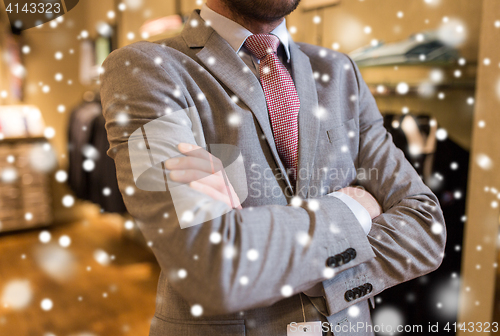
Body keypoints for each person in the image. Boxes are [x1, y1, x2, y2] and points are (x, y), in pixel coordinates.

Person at [100, 0, 446, 335]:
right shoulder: (145, 69)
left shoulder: (341, 72)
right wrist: (354, 209)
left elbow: (425, 226)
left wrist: (270, 257)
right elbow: (210, 265)